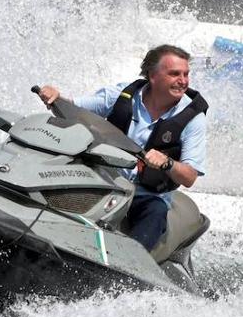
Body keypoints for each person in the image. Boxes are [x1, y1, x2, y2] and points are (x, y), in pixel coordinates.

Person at [36, 44, 207, 251]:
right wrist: (55, 96)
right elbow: (72, 110)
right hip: (102, 181)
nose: (183, 81)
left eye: (186, 74)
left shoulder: (193, 118)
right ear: (153, 76)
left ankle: (129, 263)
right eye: (174, 74)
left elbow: (189, 177)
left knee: (156, 212)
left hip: (146, 196)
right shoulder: (122, 94)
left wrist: (167, 163)